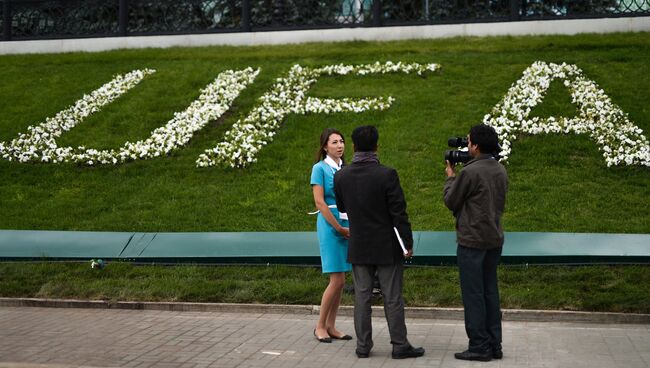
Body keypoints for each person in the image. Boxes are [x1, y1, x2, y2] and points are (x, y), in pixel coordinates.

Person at [334, 125, 424, 360]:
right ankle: (399, 345)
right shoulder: (387, 174)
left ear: (353, 146)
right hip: (387, 246)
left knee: (362, 297)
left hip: (359, 245)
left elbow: (342, 208)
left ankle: (363, 346)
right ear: (377, 146)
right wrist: (407, 242)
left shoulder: (341, 175)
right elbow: (399, 213)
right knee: (392, 296)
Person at [443, 124, 508, 362]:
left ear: (476, 146)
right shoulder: (500, 169)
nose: (466, 145)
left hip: (472, 242)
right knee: (490, 292)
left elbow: (451, 201)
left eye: (468, 141)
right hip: (493, 240)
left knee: (473, 295)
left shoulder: (470, 173)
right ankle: (494, 344)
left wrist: (450, 178)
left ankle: (479, 346)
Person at [310, 128, 353, 343]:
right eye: (334, 142)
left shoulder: (346, 169)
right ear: (325, 146)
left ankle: (331, 325)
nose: (340, 145)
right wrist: (338, 227)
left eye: (342, 141)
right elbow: (319, 202)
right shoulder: (319, 168)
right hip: (330, 224)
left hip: (347, 222)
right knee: (336, 280)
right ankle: (320, 326)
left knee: (342, 280)